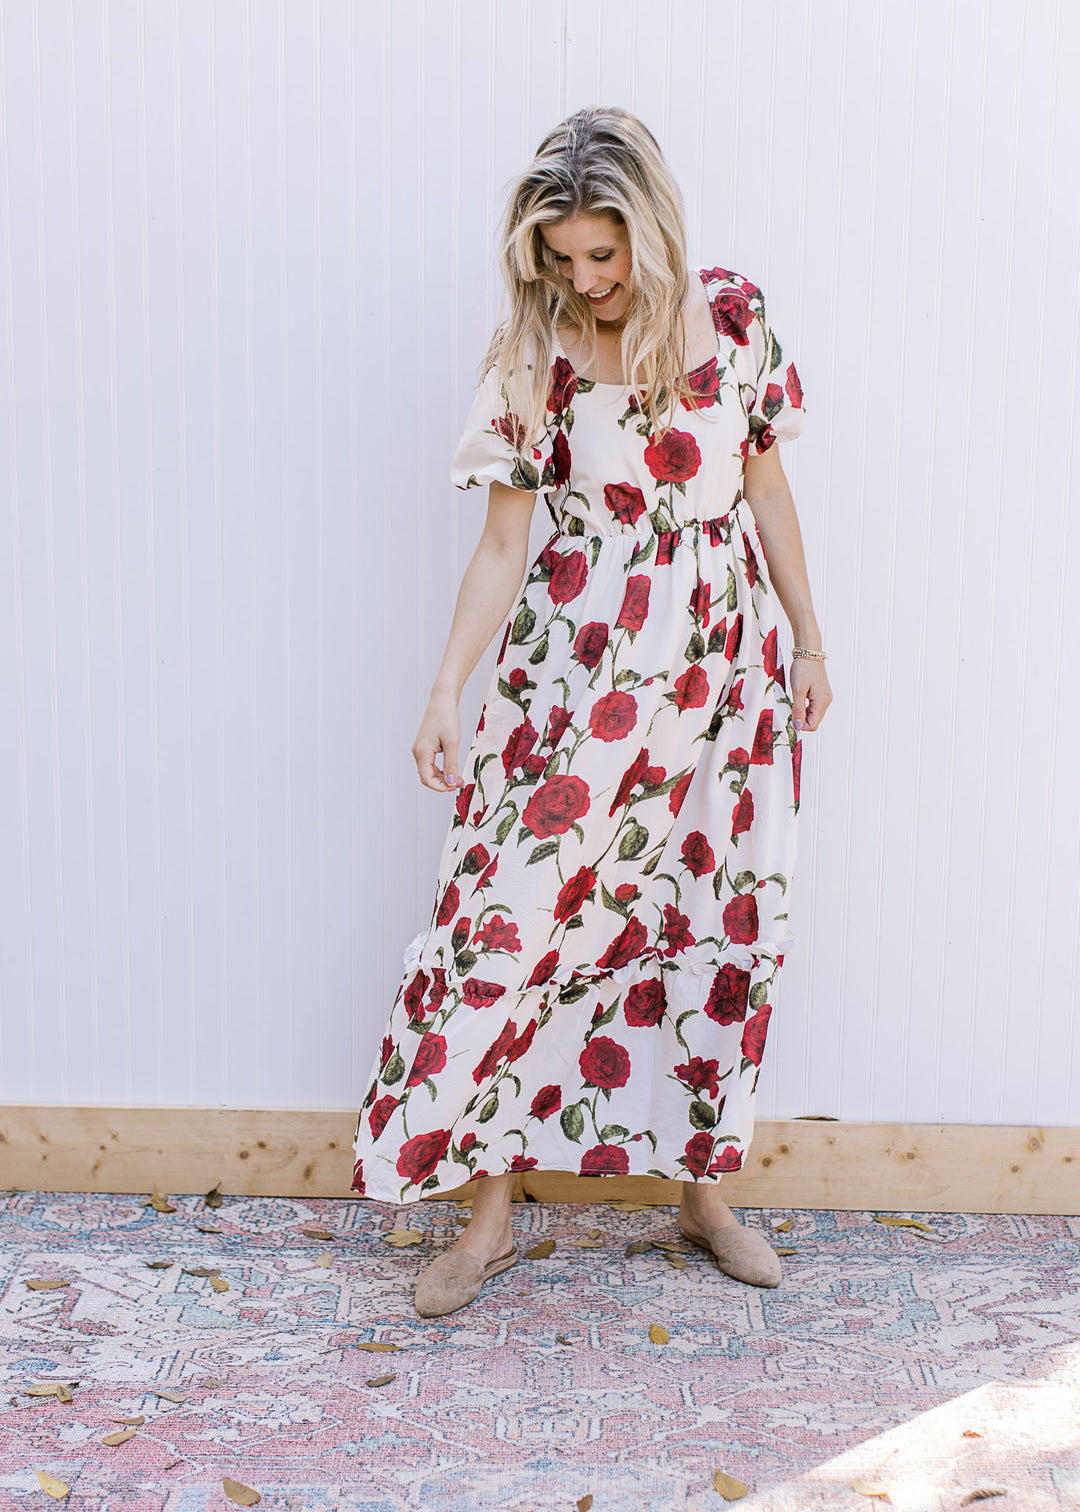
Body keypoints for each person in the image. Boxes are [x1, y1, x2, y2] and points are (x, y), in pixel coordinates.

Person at [350, 106, 832, 1318]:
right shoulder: (533, 354)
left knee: (707, 928)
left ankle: (704, 1196)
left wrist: (812, 640)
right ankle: (492, 1211)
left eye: (604, 256)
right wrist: (447, 687)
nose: (587, 281)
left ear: (653, 235)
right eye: (562, 259)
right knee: (514, 924)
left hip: (722, 680)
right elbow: (505, 540)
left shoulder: (735, 320)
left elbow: (767, 491)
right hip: (572, 682)